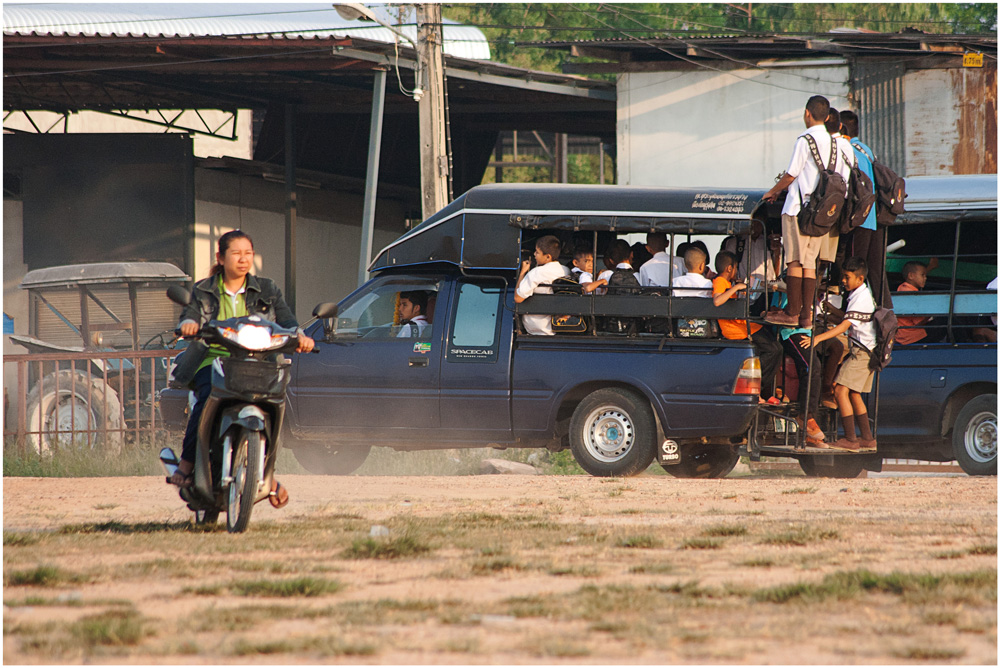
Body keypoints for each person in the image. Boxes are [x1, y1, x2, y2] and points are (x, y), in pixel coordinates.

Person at [171, 229, 314, 508]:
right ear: (220, 258)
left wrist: (300, 337)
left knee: (275, 409)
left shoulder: (268, 289)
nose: (243, 259)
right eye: (236, 253)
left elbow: (286, 320)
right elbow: (191, 314)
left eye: (248, 253)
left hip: (257, 361)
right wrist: (189, 325)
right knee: (203, 401)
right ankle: (188, 461)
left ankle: (267, 475)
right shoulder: (203, 289)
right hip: (213, 359)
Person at [763, 95, 835, 329]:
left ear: (807, 113)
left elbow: (792, 173)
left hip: (799, 208)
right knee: (810, 264)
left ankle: (792, 312)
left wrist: (773, 192)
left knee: (793, 261)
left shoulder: (805, 140)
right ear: (827, 116)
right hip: (822, 215)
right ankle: (806, 314)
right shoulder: (835, 143)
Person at [801, 256, 877, 452]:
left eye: (847, 277)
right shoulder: (859, 293)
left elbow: (845, 325)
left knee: (840, 391)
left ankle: (851, 439)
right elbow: (847, 317)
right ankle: (867, 439)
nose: (843, 281)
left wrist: (818, 338)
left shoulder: (861, 297)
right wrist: (833, 310)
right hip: (867, 351)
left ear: (860, 279)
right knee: (854, 393)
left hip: (862, 352)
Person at [713, 251, 783, 402]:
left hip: (744, 325)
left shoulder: (727, 283)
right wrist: (736, 288)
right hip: (737, 329)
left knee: (775, 347)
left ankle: (763, 391)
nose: (737, 271)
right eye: (736, 268)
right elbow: (717, 301)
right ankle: (756, 387)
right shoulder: (719, 281)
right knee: (773, 349)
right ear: (729, 269)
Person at [839, 110, 892, 308]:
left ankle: (849, 314)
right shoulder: (866, 150)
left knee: (851, 270)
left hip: (859, 219)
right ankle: (886, 314)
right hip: (875, 219)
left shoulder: (848, 150)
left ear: (841, 128)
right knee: (876, 273)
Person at [721, 218, 779, 314]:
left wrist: (777, 251)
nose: (755, 226)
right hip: (745, 294)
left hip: (768, 293)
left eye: (758, 223)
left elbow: (778, 273)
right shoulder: (735, 243)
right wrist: (738, 282)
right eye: (752, 222)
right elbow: (726, 269)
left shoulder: (768, 242)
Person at [515, 235, 570, 335]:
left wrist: (523, 273)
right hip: (558, 326)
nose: (534, 255)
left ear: (548, 257)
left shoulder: (537, 272)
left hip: (538, 328)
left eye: (537, 252)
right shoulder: (565, 270)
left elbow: (518, 298)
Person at [894, 261, 942, 345]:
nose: (925, 278)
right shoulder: (911, 294)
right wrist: (932, 311)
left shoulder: (903, 288)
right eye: (922, 275)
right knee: (946, 320)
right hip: (912, 337)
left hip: (904, 335)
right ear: (911, 276)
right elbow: (918, 322)